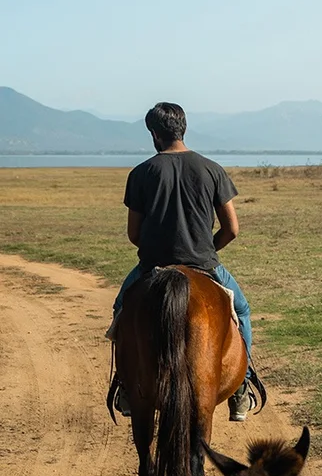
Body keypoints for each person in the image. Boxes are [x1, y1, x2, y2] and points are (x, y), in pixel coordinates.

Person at [107, 102, 256, 421]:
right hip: (205, 265)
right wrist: (206, 250)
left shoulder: (142, 173)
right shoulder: (212, 169)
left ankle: (124, 384)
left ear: (154, 134)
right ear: (182, 129)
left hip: (152, 267)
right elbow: (232, 228)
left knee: (122, 308)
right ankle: (242, 387)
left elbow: (134, 234)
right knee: (240, 309)